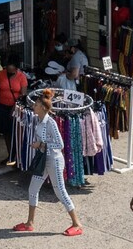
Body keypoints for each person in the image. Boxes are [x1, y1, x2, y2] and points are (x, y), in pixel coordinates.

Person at [13, 88, 82, 236]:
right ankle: (30, 223)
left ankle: (77, 223)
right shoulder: (39, 120)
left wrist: (41, 145)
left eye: (36, 104)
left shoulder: (50, 122)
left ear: (43, 107)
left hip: (54, 161)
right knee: (33, 189)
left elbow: (60, 144)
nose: (34, 106)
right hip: (44, 160)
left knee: (60, 192)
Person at [0, 61, 29, 166]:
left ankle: (18, 156)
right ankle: (10, 155)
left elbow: (23, 95)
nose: (9, 73)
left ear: (16, 69)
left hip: (16, 108)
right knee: (6, 132)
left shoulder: (21, 77)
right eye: (8, 70)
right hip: (2, 106)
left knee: (16, 132)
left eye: (11, 71)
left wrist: (15, 107)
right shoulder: (0, 74)